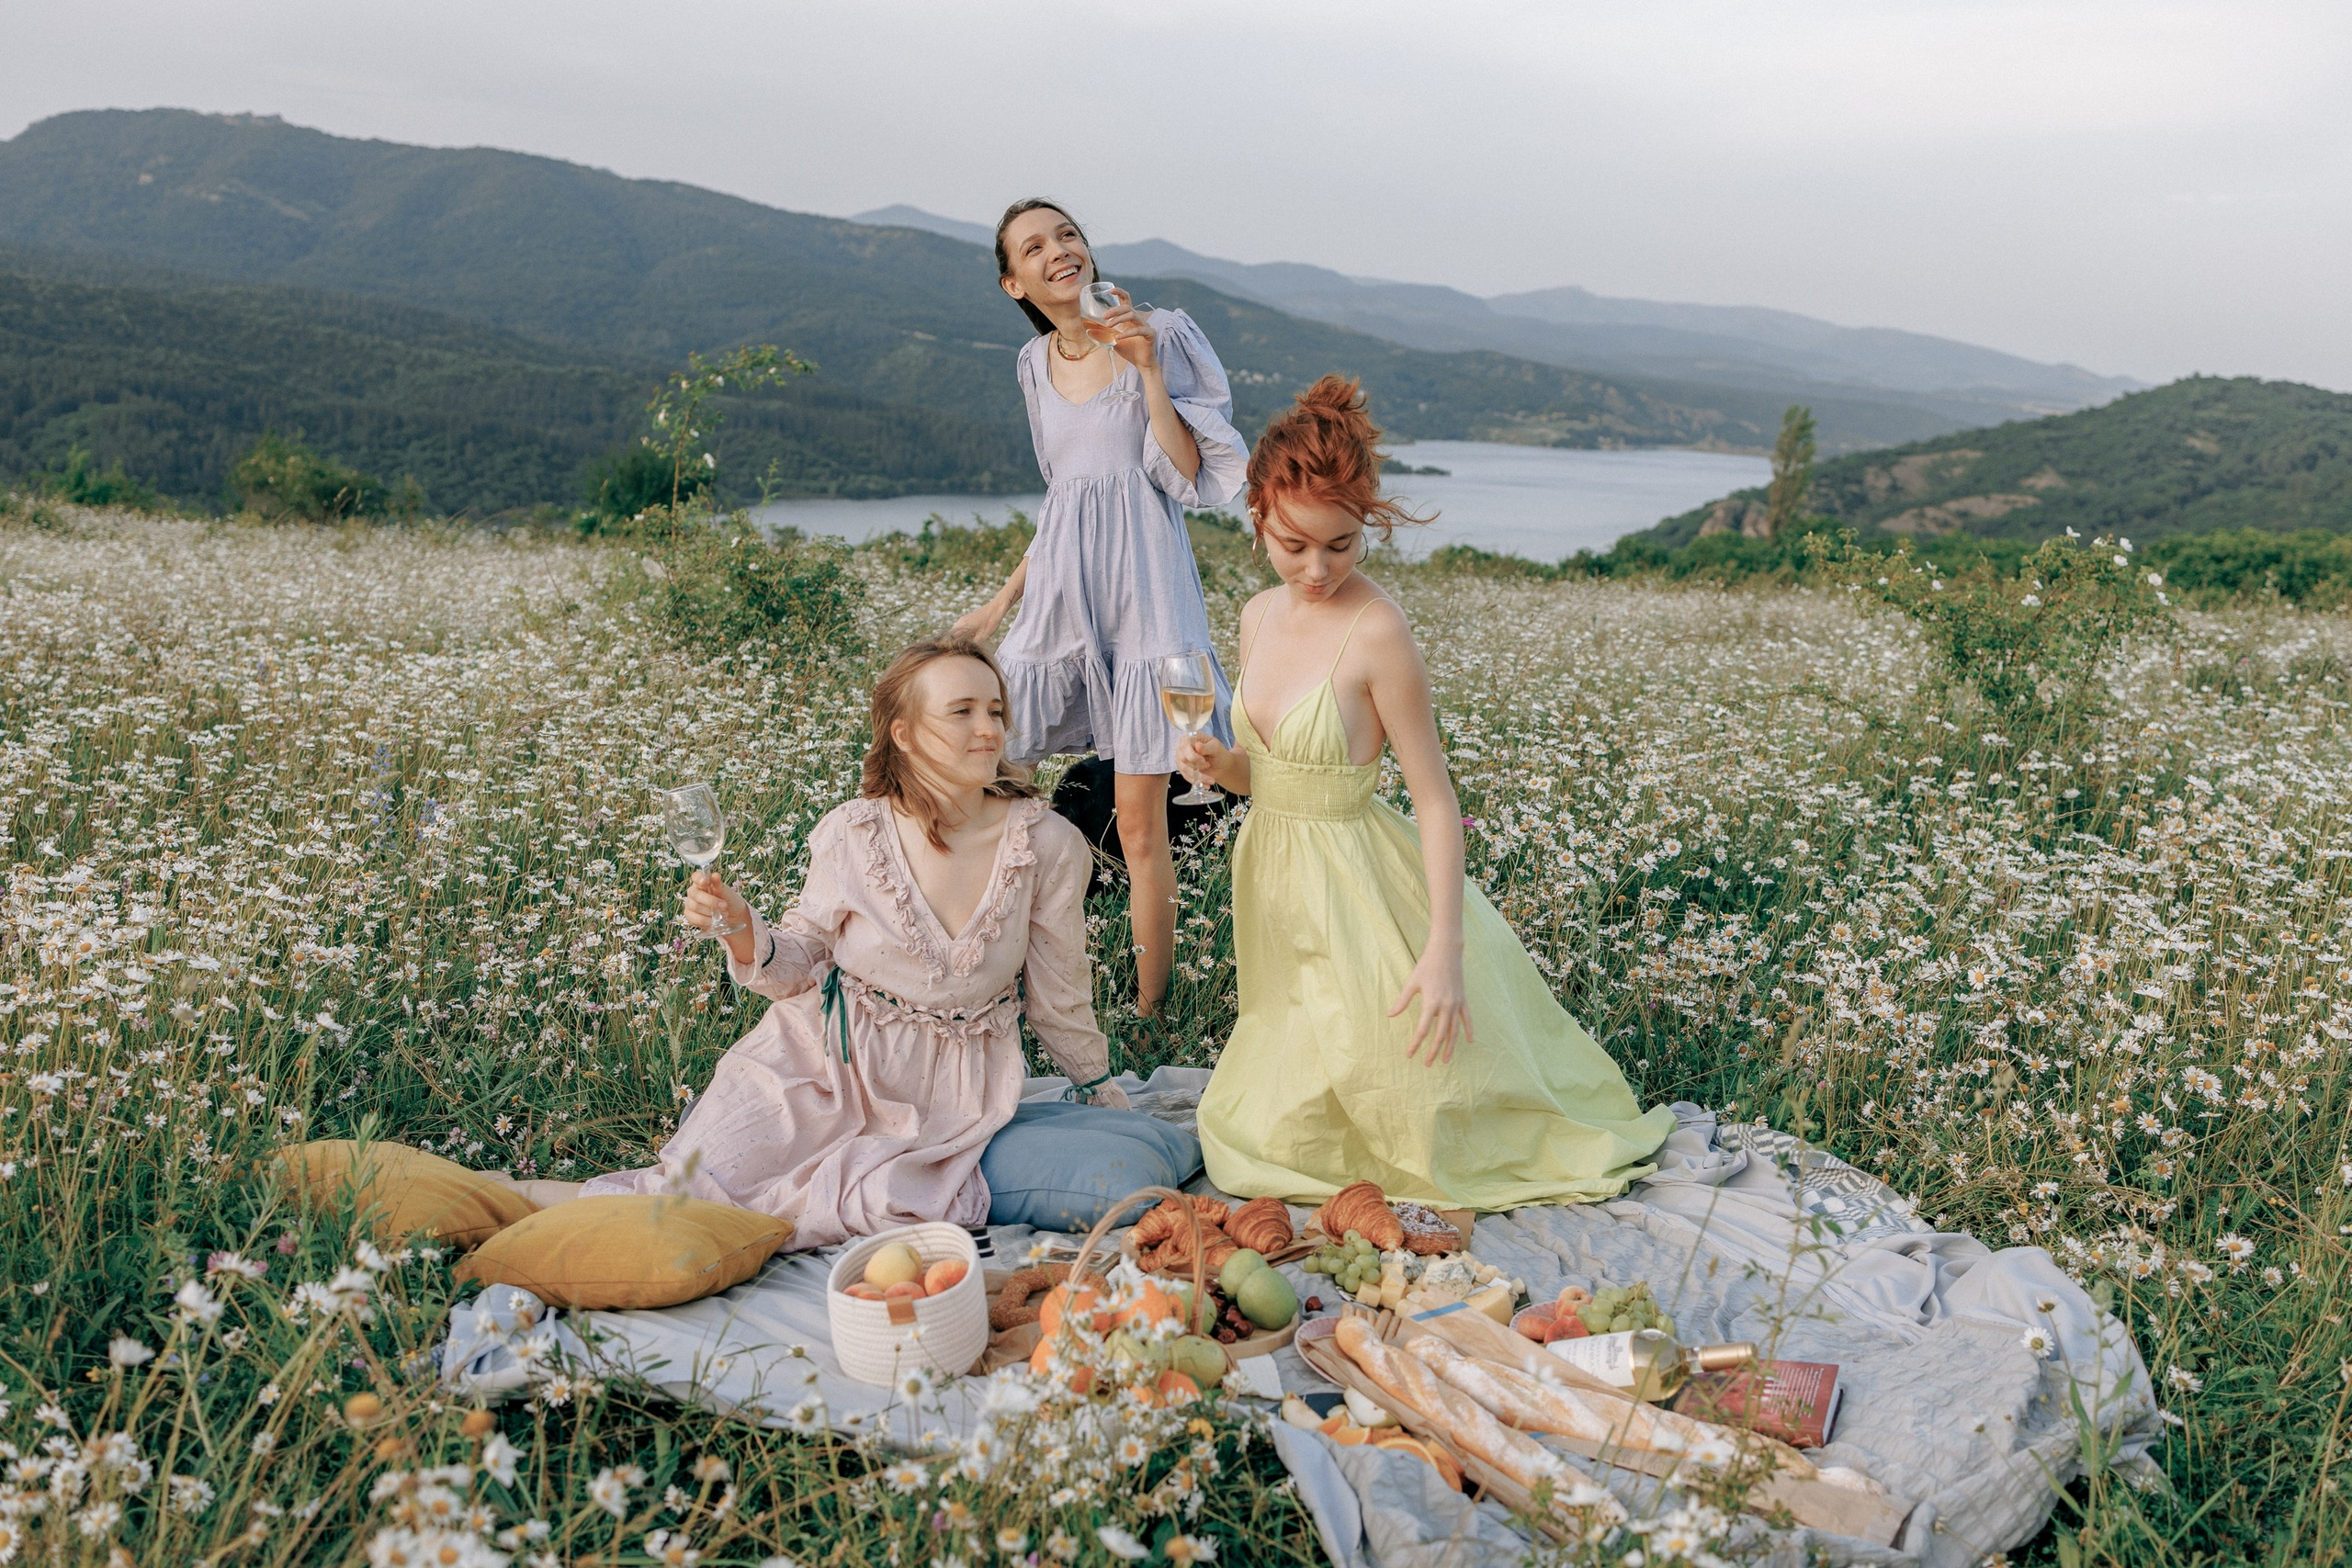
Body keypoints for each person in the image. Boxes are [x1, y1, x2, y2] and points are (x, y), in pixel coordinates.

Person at [1178, 378, 1676, 1209]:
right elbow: (1270, 774)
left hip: (1360, 879)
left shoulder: (1378, 630)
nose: (1317, 569)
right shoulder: (1258, 615)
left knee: (1403, 1093)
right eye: (1296, 543)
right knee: (1282, 1087)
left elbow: (1436, 800)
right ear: (1258, 512)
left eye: (1341, 545)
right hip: (1274, 871)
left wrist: (1443, 948)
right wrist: (1218, 766)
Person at [576, 636, 1126, 1249]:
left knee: (796, 1217)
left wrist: (1098, 1090)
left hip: (941, 1102)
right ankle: (504, 1200)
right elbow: (798, 966)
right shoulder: (852, 833)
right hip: (813, 1064)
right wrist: (738, 927)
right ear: (905, 734)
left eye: (995, 710)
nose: (989, 728)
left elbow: (1059, 993)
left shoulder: (1045, 844)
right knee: (674, 1202)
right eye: (962, 710)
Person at [951, 198, 1248, 1018]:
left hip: (1151, 605)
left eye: (1068, 234)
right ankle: (982, 978)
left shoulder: (1156, 330)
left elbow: (1184, 474)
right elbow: (1063, 505)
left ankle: (1152, 1015)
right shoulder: (1032, 364)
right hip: (1062, 603)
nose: (1060, 251)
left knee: (1143, 826)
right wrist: (995, 608)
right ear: (1015, 279)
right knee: (988, 779)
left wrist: (1147, 366)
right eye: (1036, 246)